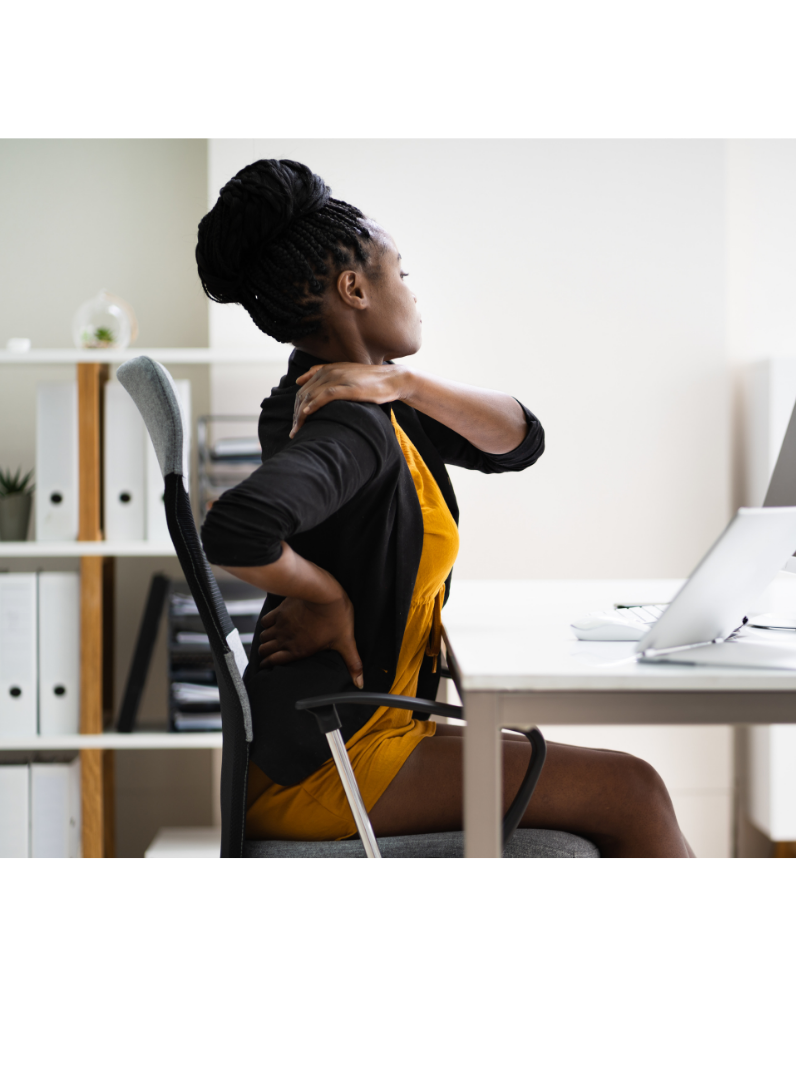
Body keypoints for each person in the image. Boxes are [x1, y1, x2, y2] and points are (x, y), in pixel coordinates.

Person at [197, 159, 692, 858]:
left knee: (620, 791)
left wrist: (404, 381)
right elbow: (235, 527)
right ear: (355, 288)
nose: (413, 294)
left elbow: (519, 440)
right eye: (402, 274)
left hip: (362, 726)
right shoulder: (345, 424)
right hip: (333, 759)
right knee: (632, 791)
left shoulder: (369, 402)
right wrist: (326, 596)